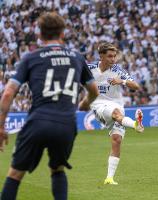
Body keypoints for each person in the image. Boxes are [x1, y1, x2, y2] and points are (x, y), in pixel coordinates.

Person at [0, 12, 98, 200]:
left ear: (40, 34)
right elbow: (94, 90)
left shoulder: (31, 57)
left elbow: (7, 93)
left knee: (15, 174)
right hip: (66, 124)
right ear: (62, 33)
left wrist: (1, 126)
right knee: (57, 169)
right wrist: (85, 102)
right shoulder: (77, 57)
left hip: (38, 121)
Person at [84, 41, 144, 185]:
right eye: (110, 56)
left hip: (117, 104)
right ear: (101, 56)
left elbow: (136, 86)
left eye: (114, 56)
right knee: (116, 113)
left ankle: (109, 178)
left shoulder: (118, 70)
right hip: (98, 104)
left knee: (117, 140)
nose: (113, 59)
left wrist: (122, 81)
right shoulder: (90, 68)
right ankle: (135, 124)